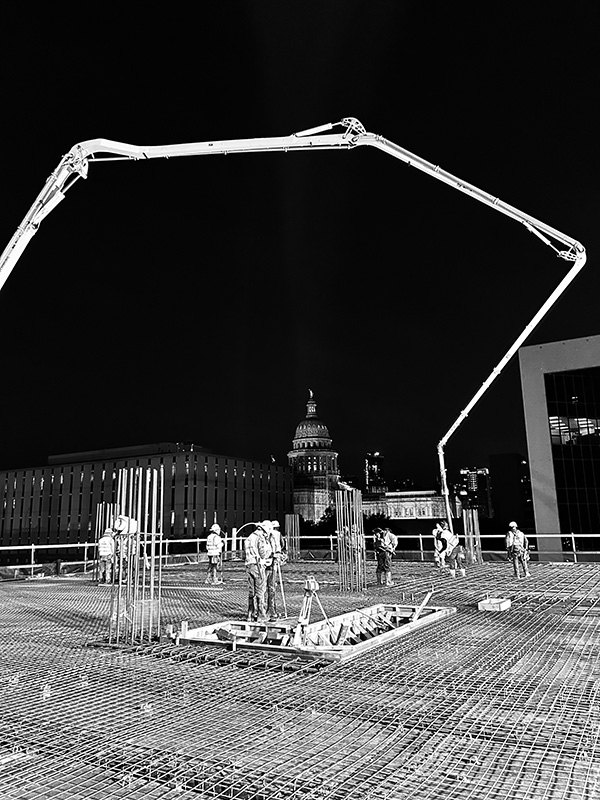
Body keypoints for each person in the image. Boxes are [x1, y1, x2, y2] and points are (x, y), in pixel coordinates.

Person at [244, 522, 270, 622]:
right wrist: (269, 553)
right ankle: (261, 615)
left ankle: (250, 614)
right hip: (258, 566)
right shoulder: (260, 538)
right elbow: (263, 554)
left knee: (252, 591)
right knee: (260, 590)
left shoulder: (249, 538)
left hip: (248, 565)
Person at [263, 520, 284, 620]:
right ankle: (271, 611)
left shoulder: (262, 537)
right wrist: (277, 555)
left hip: (264, 565)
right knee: (271, 587)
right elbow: (282, 544)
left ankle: (265, 611)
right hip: (271, 563)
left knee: (264, 587)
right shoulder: (276, 535)